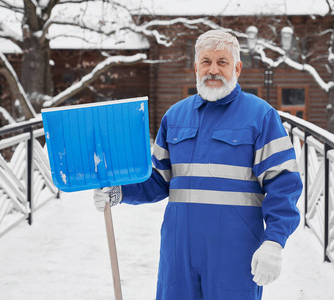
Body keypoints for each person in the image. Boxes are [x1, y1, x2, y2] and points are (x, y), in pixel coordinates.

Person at [94, 29, 302, 300]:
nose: (213, 70)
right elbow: (159, 178)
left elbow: (283, 184)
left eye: (222, 62)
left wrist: (274, 241)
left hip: (235, 252)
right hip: (179, 251)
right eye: (206, 61)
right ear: (196, 67)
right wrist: (119, 191)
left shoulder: (261, 116)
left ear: (237, 68)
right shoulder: (175, 116)